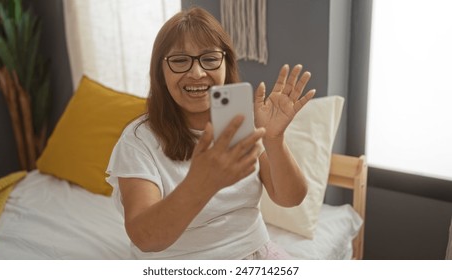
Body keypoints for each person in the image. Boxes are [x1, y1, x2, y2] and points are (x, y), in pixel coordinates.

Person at [106, 6, 315, 260]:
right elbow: (145, 238)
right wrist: (202, 183)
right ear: (160, 70)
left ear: (226, 63)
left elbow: (291, 197)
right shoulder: (138, 140)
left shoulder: (237, 121)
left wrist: (274, 140)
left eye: (209, 58)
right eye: (180, 60)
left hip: (255, 253)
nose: (196, 73)